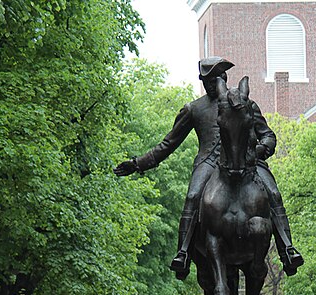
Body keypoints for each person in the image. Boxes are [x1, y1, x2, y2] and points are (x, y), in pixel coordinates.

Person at [114, 56, 303, 280]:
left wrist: (260, 150)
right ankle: (183, 253)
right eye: (206, 81)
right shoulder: (194, 109)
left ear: (224, 78)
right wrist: (138, 164)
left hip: (247, 161)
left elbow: (268, 134)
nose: (211, 85)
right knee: (193, 196)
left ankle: (287, 249)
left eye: (215, 80)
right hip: (208, 163)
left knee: (273, 193)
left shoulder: (245, 104)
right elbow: (168, 144)